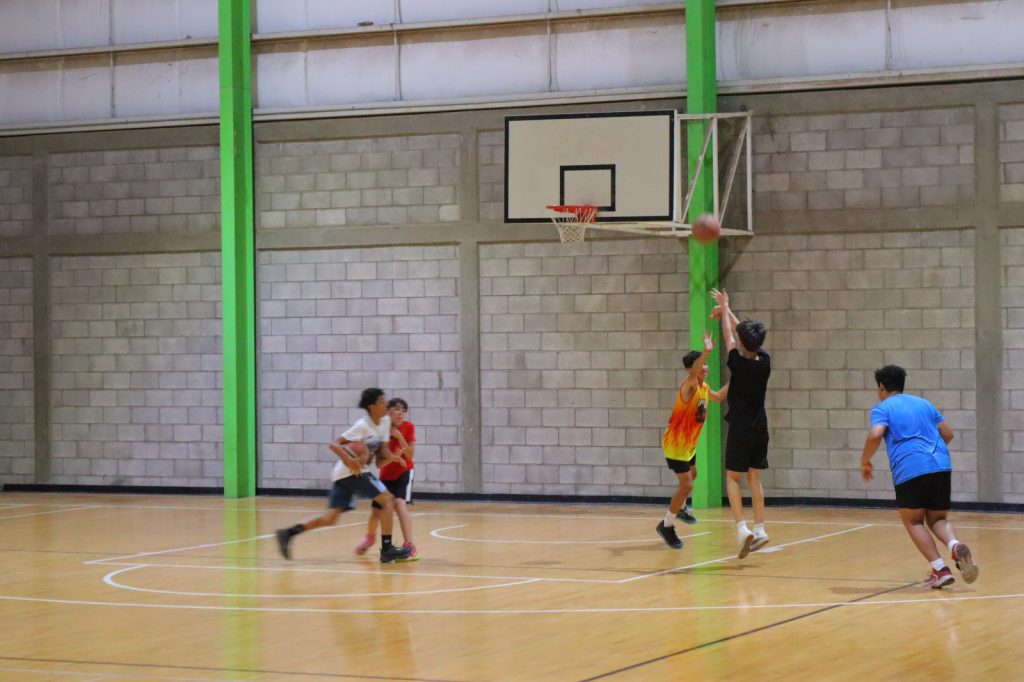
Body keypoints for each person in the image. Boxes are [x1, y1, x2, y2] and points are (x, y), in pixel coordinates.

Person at [860, 365, 979, 588]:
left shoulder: (883, 407)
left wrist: (865, 460)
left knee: (913, 520)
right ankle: (954, 545)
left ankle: (940, 569)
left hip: (911, 467)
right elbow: (948, 434)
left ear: (881, 387)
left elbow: (876, 433)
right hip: (941, 465)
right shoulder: (924, 404)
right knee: (938, 519)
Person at [274, 388, 413, 564]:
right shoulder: (362, 426)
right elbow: (333, 444)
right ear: (372, 407)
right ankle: (387, 550)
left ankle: (288, 533)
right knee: (388, 500)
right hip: (351, 472)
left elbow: (383, 450)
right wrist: (349, 459)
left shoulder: (385, 422)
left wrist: (392, 456)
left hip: (347, 474)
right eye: (382, 402)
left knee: (330, 518)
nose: (386, 405)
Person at [711, 288, 771, 558]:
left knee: (732, 478)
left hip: (741, 427)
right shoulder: (765, 362)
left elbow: (729, 334)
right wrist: (727, 309)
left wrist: (725, 309)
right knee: (754, 476)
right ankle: (760, 529)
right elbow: (741, 333)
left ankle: (742, 528)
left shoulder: (736, 362)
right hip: (761, 427)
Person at [657, 330, 728, 549]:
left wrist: (740, 377)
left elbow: (718, 397)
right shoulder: (689, 385)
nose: (705, 367)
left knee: (693, 474)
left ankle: (681, 508)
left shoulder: (705, 388)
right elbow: (696, 371)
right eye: (700, 364)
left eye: (705, 363)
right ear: (691, 369)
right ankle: (666, 525)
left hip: (688, 446)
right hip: (675, 446)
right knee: (686, 484)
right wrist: (706, 352)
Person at [354, 397, 419, 560]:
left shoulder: (408, 427)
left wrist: (399, 437)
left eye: (404, 410)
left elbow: (410, 455)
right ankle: (370, 537)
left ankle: (409, 545)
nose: (401, 413)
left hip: (405, 472)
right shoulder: (381, 431)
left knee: (399, 503)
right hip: (386, 476)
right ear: (388, 412)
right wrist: (393, 458)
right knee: (376, 511)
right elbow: (380, 464)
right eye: (397, 409)